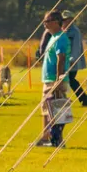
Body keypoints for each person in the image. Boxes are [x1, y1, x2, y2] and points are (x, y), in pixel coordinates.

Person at [37, 9, 75, 148]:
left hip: (55, 80)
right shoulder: (52, 37)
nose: (44, 23)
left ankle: (56, 139)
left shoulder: (60, 38)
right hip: (49, 79)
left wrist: (59, 79)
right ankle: (46, 138)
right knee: (47, 109)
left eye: (47, 21)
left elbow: (61, 58)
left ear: (56, 22)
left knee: (56, 109)